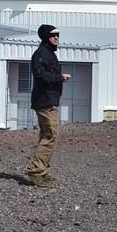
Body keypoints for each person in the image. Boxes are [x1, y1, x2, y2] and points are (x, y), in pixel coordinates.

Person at [25, 24, 71, 187]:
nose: (57, 38)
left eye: (58, 35)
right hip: (44, 101)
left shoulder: (49, 53)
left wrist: (59, 78)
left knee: (47, 135)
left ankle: (42, 172)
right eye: (53, 36)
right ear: (45, 37)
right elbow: (40, 75)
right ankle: (36, 172)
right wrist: (60, 77)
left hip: (49, 100)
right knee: (51, 135)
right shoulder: (41, 54)